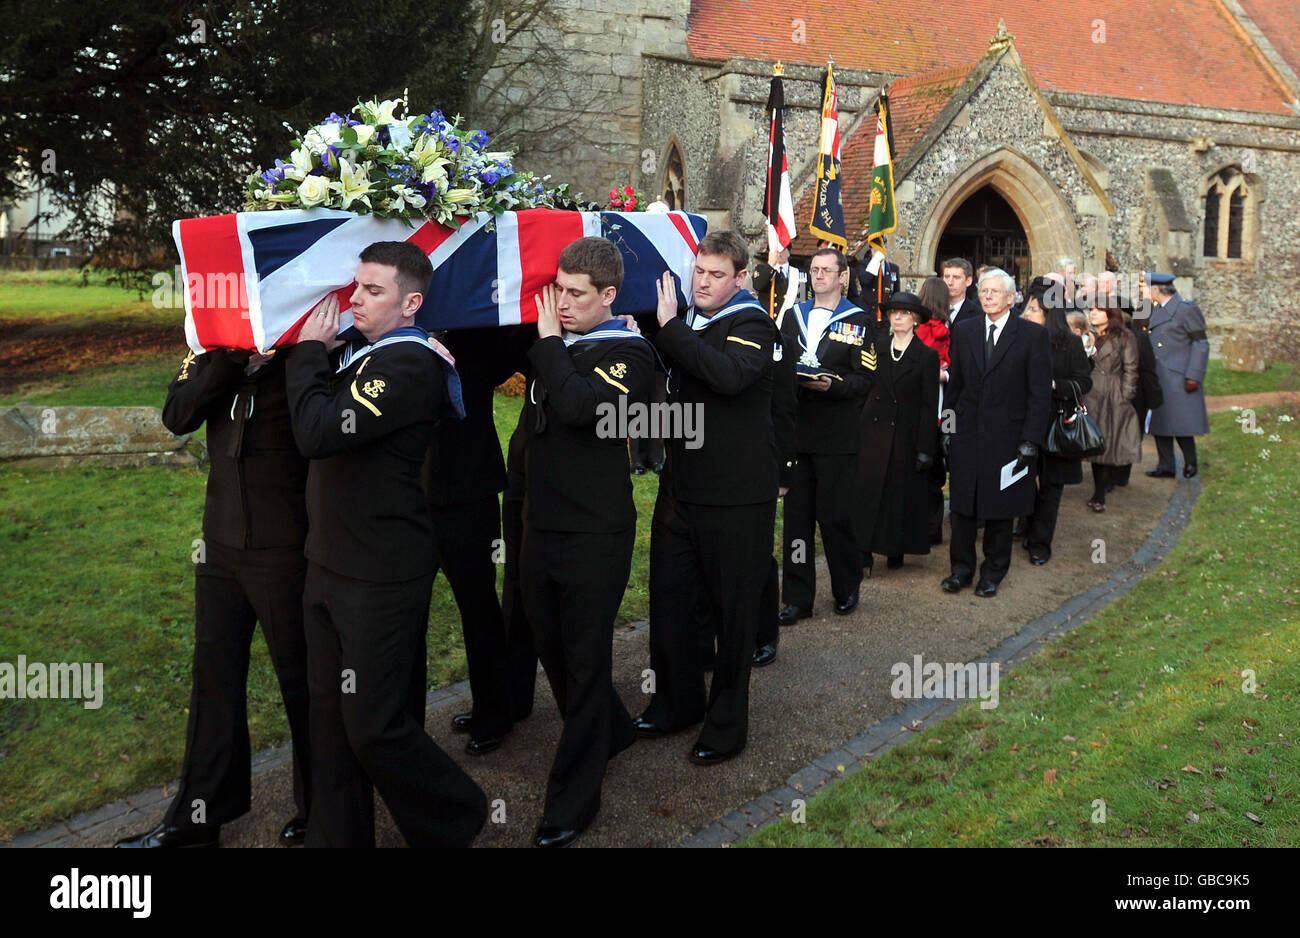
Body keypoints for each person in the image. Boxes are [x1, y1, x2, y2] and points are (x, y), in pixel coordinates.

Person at [285, 240, 486, 847]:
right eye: (356, 286)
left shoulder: (411, 364)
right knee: (330, 720)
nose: (356, 299)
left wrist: (306, 357)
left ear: (412, 303)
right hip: (328, 561)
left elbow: (319, 431)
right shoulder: (362, 355)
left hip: (380, 573)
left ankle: (456, 817)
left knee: (373, 725)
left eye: (373, 291)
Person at [116, 348, 313, 849]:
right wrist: (226, 363)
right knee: (213, 680)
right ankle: (196, 820)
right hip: (219, 544)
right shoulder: (210, 347)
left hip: (285, 545)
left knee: (305, 682)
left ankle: (322, 808)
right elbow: (177, 415)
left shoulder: (309, 349)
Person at [519, 236, 652, 848]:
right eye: (558, 290)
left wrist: (549, 345)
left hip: (596, 530)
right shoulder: (558, 341)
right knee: (550, 643)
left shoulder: (630, 352)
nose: (562, 303)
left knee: (586, 655)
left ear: (608, 295)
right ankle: (614, 729)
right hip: (541, 523)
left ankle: (572, 802)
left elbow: (582, 409)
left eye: (576, 294)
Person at [636, 230, 778, 766]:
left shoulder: (751, 323)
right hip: (683, 489)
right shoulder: (688, 322)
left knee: (732, 614)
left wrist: (668, 329)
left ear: (740, 279)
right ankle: (676, 701)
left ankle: (726, 724)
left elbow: (727, 376)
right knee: (671, 603)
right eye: (699, 271)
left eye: (717, 275)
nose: (703, 282)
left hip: (738, 496)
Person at [422, 327, 521, 756]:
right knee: (405, 618)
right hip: (408, 493)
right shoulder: (392, 334)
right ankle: (402, 731)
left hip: (467, 492)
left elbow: (515, 348)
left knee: (479, 609)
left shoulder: (477, 334)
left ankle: (495, 711)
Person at [941, 268, 1052, 598]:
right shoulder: (963, 331)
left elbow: (1039, 394)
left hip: (1009, 439)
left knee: (999, 510)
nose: (987, 297)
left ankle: (992, 572)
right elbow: (955, 387)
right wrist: (948, 428)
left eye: (994, 292)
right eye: (983, 291)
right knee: (962, 507)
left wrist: (1031, 440)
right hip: (966, 435)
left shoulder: (1032, 336)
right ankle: (960, 570)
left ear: (1010, 297)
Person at [778, 248, 873, 620]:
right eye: (814, 270)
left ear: (842, 276)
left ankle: (846, 586)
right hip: (798, 433)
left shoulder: (860, 320)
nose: (818, 276)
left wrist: (832, 387)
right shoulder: (793, 316)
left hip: (837, 436)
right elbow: (779, 363)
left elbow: (865, 379)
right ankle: (798, 597)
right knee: (797, 522)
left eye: (825, 270)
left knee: (835, 519)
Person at [853, 292, 940, 571]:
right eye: (894, 313)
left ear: (915, 319)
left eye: (904, 313)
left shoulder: (926, 356)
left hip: (905, 435)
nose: (898, 317)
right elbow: (864, 387)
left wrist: (926, 447)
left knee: (898, 496)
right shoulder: (877, 346)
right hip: (873, 432)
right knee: (866, 493)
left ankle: (895, 548)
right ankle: (863, 549)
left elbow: (929, 406)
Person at [1020, 279, 1093, 563]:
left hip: (1055, 422)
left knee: (1050, 486)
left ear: (1049, 315)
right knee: (1023, 478)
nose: (1026, 314)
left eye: (1033, 310)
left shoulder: (1070, 344)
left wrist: (1052, 385)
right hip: (1024, 420)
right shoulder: (1020, 339)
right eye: (1027, 309)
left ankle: (1040, 543)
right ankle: (1025, 524)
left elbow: (1083, 382)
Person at [1141, 273, 1209, 478]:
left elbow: (1201, 343)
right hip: (1158, 374)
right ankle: (1166, 465)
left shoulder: (1186, 309)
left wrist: (1194, 375)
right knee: (1160, 422)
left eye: (1147, 288)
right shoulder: (1155, 310)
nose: (1144, 292)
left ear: (1156, 290)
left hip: (1179, 375)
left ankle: (1191, 463)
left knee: (1181, 423)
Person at [1083, 303, 1142, 511]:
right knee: (1093, 440)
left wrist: (1125, 396)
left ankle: (1100, 493)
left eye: (1098, 310)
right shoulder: (1086, 335)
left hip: (1112, 393)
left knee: (1107, 441)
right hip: (1090, 392)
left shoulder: (1124, 337)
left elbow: (1132, 368)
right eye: (1091, 309)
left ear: (1110, 314)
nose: (1093, 313)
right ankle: (1100, 489)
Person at [915, 276, 951, 544]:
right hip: (940, 399)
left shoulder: (919, 327)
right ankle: (933, 527)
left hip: (919, 396)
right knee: (935, 468)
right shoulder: (948, 327)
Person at [752, 245, 808, 318]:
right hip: (768, 321)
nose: (779, 253)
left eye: (782, 249)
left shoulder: (800, 274)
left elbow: (802, 299)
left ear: (788, 252)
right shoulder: (762, 270)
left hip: (791, 321)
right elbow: (758, 286)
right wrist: (770, 265)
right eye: (776, 250)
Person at [941, 257, 982, 328]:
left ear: (968, 281)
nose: (950, 282)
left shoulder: (978, 314)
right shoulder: (933, 310)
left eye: (956, 277)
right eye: (947, 277)